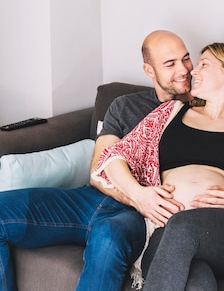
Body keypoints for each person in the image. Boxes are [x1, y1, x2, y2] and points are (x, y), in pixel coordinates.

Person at [0, 30, 193, 291]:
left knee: (108, 238)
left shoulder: (202, 112)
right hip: (91, 199)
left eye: (186, 58)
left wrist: (141, 203)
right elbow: (98, 169)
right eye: (170, 64)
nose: (183, 70)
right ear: (149, 70)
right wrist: (137, 196)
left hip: (133, 218)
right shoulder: (124, 106)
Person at [93, 42, 224, 290]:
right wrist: (140, 195)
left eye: (204, 65)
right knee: (197, 280)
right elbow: (113, 158)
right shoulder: (171, 112)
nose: (193, 71)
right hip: (165, 229)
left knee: (183, 226)